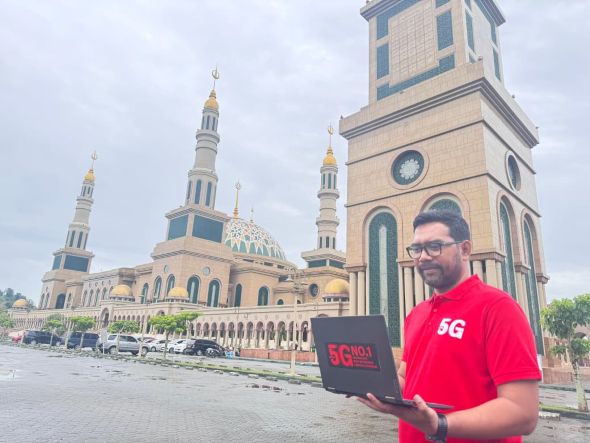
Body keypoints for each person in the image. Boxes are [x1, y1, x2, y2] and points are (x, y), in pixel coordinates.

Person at [357, 210, 541, 443]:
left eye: (435, 247)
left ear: (465, 249)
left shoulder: (498, 309)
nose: (423, 257)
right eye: (417, 249)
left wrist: (440, 425)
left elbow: (522, 413)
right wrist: (372, 383)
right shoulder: (417, 314)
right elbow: (405, 377)